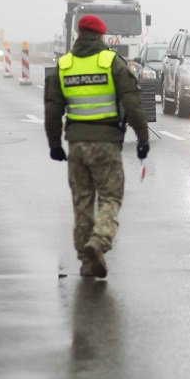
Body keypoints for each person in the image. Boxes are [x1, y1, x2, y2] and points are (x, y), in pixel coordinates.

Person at [45, 14, 150, 278]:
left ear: (78, 34)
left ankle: (86, 261)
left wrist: (55, 144)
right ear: (100, 36)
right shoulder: (111, 62)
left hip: (77, 146)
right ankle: (99, 241)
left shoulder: (65, 64)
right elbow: (133, 104)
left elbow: (52, 109)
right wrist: (143, 138)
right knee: (111, 196)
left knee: (82, 202)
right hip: (106, 144)